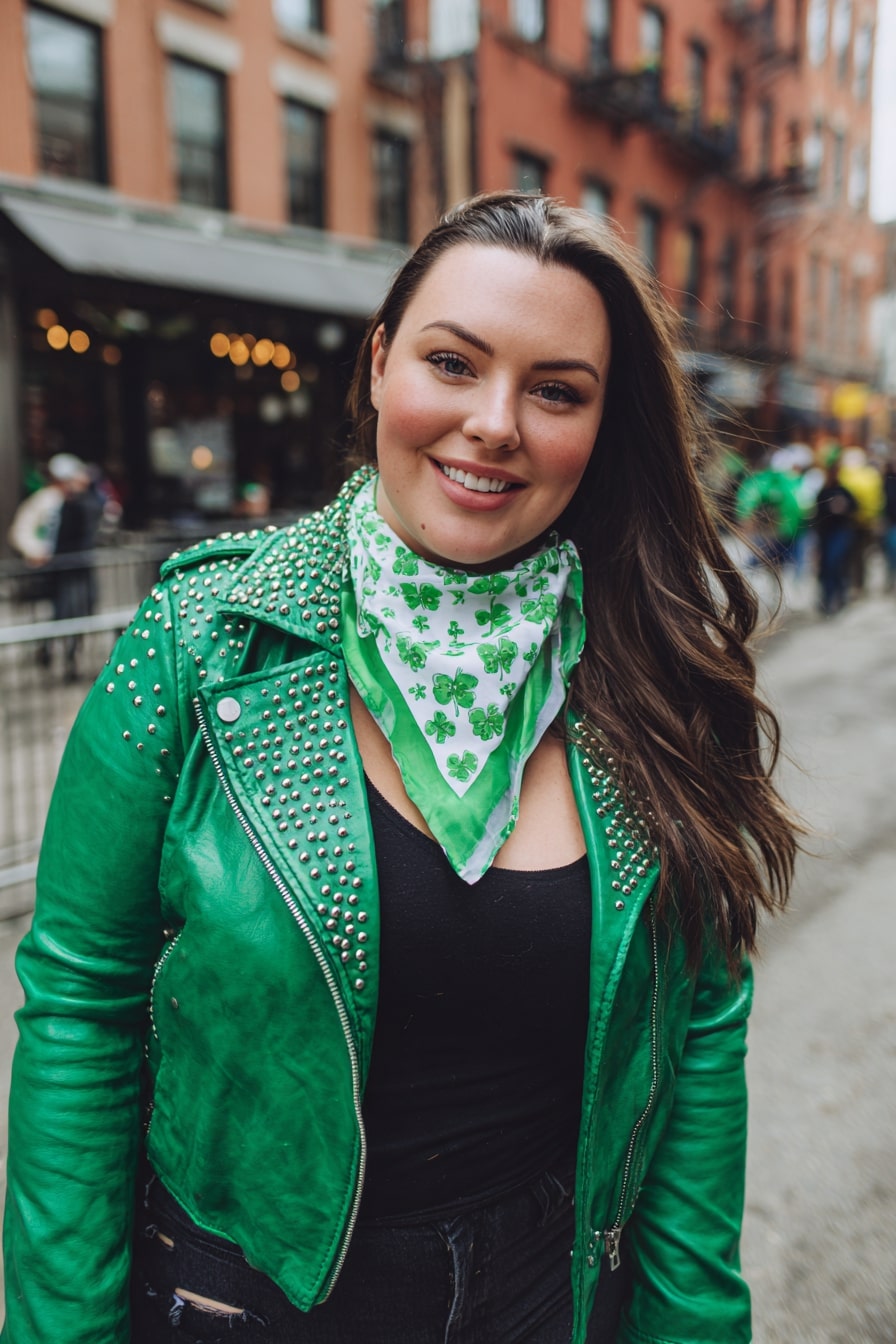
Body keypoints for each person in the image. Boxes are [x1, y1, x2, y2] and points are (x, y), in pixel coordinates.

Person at [2, 192, 800, 1344]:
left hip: (547, 1303)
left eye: (555, 390)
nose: (493, 423)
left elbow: (698, 1035)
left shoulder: (659, 672)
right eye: (451, 362)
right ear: (380, 364)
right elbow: (80, 1005)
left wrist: (690, 1325)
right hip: (240, 1307)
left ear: (598, 422)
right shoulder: (197, 641)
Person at [813, 455, 858, 615]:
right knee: (827, 567)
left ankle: (840, 595)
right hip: (826, 534)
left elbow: (854, 507)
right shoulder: (823, 492)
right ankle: (828, 597)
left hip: (841, 533)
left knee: (836, 563)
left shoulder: (844, 490)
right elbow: (817, 514)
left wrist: (843, 507)